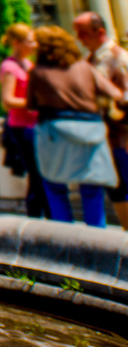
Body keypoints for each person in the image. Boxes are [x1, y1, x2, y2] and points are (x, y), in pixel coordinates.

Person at [26, 25, 123, 228]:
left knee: (54, 185)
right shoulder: (85, 67)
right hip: (91, 129)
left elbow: (31, 105)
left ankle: (66, 240)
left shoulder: (38, 72)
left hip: (55, 130)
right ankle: (98, 239)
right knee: (91, 188)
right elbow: (115, 93)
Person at [76, 12, 128, 227]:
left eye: (83, 34)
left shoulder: (119, 58)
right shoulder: (93, 58)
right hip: (106, 137)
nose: (79, 38)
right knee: (118, 190)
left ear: (101, 32)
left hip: (122, 138)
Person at [0, 24, 46, 219]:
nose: (35, 44)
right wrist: (34, 103)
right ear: (17, 43)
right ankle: (35, 217)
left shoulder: (29, 64)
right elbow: (7, 101)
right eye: (31, 41)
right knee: (36, 174)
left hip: (36, 124)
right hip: (22, 126)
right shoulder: (9, 67)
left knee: (43, 174)